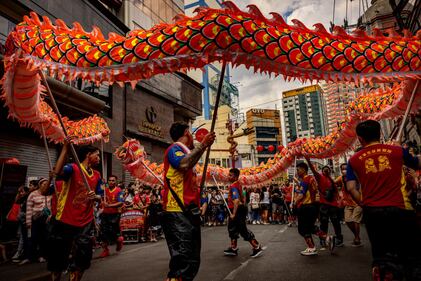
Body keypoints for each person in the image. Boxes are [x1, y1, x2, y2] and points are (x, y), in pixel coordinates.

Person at [346, 120, 421, 281]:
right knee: (410, 254)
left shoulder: (353, 160)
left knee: (382, 255)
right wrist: (402, 152)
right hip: (401, 209)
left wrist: (363, 203)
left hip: (373, 212)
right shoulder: (397, 150)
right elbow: (416, 164)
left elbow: (351, 188)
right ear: (380, 133)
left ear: (360, 139)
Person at [161, 121, 215, 281]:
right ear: (186, 133)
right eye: (190, 132)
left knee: (191, 260)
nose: (192, 136)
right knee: (183, 261)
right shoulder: (174, 149)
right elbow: (184, 163)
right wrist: (203, 144)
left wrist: (203, 147)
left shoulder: (186, 151)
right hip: (176, 210)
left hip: (188, 211)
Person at [47, 144, 103, 281]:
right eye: (97, 154)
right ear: (88, 155)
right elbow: (58, 173)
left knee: (83, 257)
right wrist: (65, 148)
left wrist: (95, 197)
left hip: (85, 221)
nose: (99, 158)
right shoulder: (72, 168)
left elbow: (100, 196)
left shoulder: (97, 175)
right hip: (65, 219)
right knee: (58, 258)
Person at [223, 168, 263, 258]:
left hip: (237, 210)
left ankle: (256, 246)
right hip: (239, 209)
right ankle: (233, 248)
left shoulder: (234, 186)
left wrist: (233, 214)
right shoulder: (237, 184)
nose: (229, 177)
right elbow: (241, 197)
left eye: (231, 175)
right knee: (232, 229)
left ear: (236, 176)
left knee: (242, 229)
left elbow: (236, 200)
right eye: (229, 175)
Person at [305, 157, 343, 249]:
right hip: (324, 205)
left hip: (333, 205)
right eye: (324, 169)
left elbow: (336, 193)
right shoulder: (319, 177)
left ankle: (339, 239)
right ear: (322, 171)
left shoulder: (332, 180)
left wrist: (339, 201)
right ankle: (323, 239)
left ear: (330, 171)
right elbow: (313, 170)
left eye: (328, 169)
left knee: (335, 222)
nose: (326, 170)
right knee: (324, 223)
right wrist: (308, 161)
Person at [293, 162, 319, 256]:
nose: (297, 171)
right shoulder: (311, 179)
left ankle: (311, 248)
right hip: (313, 206)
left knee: (303, 229)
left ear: (304, 169)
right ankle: (327, 238)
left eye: (298, 169)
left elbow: (301, 194)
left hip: (306, 206)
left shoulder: (306, 179)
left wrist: (295, 203)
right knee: (311, 227)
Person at [25, 178, 52, 264]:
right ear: (40, 185)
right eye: (44, 184)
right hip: (36, 219)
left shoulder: (49, 194)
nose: (46, 186)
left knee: (45, 239)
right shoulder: (32, 194)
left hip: (47, 220)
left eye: (47, 184)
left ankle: (42, 256)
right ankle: (32, 257)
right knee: (34, 238)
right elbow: (28, 209)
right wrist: (28, 222)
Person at [336, 163, 362, 247]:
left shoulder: (355, 176)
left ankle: (357, 238)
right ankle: (356, 236)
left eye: (346, 169)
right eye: (342, 169)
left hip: (358, 202)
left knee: (355, 220)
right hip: (348, 203)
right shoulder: (341, 178)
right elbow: (333, 183)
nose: (344, 171)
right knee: (347, 221)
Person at [98, 175, 124, 258]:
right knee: (103, 232)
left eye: (113, 180)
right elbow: (98, 192)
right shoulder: (104, 190)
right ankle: (105, 250)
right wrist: (101, 182)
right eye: (110, 180)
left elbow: (121, 202)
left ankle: (119, 241)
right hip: (105, 214)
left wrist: (109, 205)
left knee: (114, 232)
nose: (111, 182)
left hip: (115, 215)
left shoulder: (119, 190)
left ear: (116, 181)